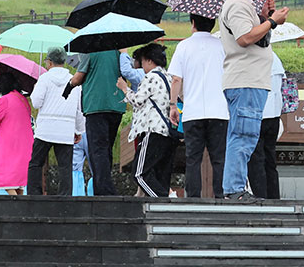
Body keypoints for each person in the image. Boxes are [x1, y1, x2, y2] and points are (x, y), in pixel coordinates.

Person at [217, 0, 288, 200]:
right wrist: (271, 21)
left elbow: (255, 35)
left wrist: (263, 16)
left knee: (240, 134)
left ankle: (232, 188)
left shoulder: (243, 5)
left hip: (248, 79)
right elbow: (245, 37)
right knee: (244, 136)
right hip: (246, 80)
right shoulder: (237, 4)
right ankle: (235, 189)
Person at [168, 13, 229, 198]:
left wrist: (172, 105)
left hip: (192, 112)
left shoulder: (183, 46)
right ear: (212, 23)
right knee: (219, 159)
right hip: (219, 111)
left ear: (192, 22)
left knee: (193, 158)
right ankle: (221, 196)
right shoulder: (222, 46)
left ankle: (193, 197)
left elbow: (176, 78)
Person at [65, 47, 127, 196]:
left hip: (96, 106)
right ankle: (103, 187)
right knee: (106, 149)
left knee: (97, 150)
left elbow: (79, 77)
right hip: (116, 105)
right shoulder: (117, 50)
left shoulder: (90, 51)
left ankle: (105, 191)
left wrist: (69, 85)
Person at [30, 48, 85, 196]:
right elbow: (79, 109)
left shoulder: (45, 79)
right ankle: (65, 196)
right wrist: (78, 130)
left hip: (45, 129)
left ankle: (34, 195)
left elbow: (36, 103)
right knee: (65, 166)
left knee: (36, 163)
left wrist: (36, 89)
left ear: (49, 62)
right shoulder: (73, 79)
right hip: (66, 129)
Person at [122, 43, 175, 198]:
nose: (142, 66)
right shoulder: (170, 77)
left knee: (140, 174)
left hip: (153, 130)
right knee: (161, 175)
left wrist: (124, 88)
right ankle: (164, 204)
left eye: (143, 61)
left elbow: (137, 100)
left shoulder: (151, 77)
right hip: (169, 132)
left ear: (150, 61)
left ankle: (162, 201)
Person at [0, 70, 33, 195]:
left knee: (5, 177)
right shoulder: (23, 99)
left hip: (9, 142)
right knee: (18, 179)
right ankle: (21, 207)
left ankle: (16, 206)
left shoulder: (5, 99)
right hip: (24, 142)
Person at [248, 50, 286, 199]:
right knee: (270, 159)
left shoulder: (253, 58)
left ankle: (260, 197)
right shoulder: (275, 59)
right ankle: (274, 197)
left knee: (256, 159)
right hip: (274, 115)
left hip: (257, 114)